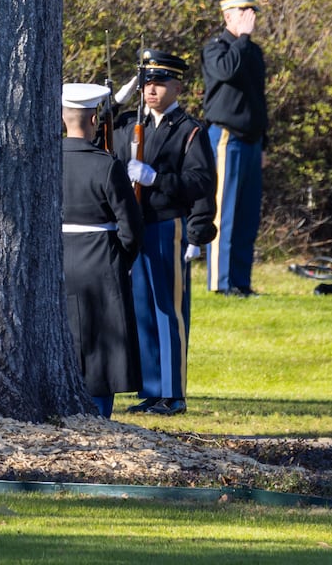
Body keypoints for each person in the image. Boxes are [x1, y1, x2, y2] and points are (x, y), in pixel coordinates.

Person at [110, 49, 217, 416]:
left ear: (176, 86)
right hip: (135, 226)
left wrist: (159, 181)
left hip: (167, 225)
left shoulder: (189, 130)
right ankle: (153, 390)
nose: (151, 90)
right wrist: (120, 96)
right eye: (146, 83)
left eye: (159, 83)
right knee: (141, 309)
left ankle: (173, 393)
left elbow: (201, 182)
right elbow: (93, 125)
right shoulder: (128, 123)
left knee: (167, 310)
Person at [59, 82, 143, 418]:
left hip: (59, 260)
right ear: (95, 119)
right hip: (101, 262)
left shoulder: (44, 162)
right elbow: (132, 229)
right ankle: (98, 416)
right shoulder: (107, 165)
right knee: (101, 353)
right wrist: (120, 258)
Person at [201, 0, 268, 296]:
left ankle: (241, 281)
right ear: (229, 16)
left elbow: (259, 98)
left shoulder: (253, 51)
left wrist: (264, 143)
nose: (251, 18)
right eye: (245, 12)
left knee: (246, 216)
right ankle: (221, 282)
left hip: (251, 141)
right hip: (227, 137)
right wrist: (241, 39)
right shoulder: (217, 48)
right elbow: (227, 72)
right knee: (223, 212)